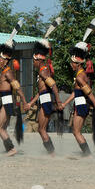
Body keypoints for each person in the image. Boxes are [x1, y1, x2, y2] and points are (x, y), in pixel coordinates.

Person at [0, 21, 30, 156]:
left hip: (7, 102)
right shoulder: (4, 72)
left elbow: (17, 87)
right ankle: (10, 148)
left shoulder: (8, 72)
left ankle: (11, 149)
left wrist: (24, 102)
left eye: (0, 60)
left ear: (6, 60)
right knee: (2, 127)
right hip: (4, 101)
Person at [62, 20, 95, 156]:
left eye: (72, 62)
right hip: (79, 104)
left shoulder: (80, 77)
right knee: (75, 131)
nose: (71, 65)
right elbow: (76, 93)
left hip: (82, 105)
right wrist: (65, 103)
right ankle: (87, 153)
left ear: (77, 63)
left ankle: (88, 154)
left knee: (76, 131)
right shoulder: (81, 74)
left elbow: (89, 93)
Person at [25, 18, 64, 155]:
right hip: (44, 98)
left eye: (33, 60)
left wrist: (58, 101)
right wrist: (31, 103)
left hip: (47, 100)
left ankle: (52, 153)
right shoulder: (42, 69)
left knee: (41, 129)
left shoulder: (42, 70)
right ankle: (51, 152)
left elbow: (53, 85)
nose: (33, 63)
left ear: (37, 58)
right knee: (42, 128)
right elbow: (42, 90)